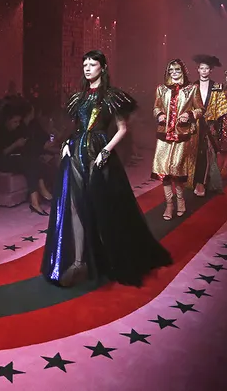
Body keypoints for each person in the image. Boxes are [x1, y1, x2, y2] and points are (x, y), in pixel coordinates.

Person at [41, 50, 172, 287]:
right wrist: (65, 144)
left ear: (102, 67)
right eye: (85, 64)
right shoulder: (78, 97)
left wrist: (106, 150)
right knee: (74, 206)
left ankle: (107, 257)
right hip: (75, 152)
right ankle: (78, 262)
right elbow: (74, 127)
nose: (87, 68)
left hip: (99, 152)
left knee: (102, 207)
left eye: (92, 64)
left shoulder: (112, 96)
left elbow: (123, 129)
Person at [152, 59, 203, 220]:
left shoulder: (192, 89)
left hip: (181, 135)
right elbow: (156, 107)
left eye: (177, 69)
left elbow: (200, 109)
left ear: (183, 71)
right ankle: (169, 204)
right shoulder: (161, 89)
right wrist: (159, 114)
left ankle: (180, 201)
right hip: (164, 136)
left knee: (177, 170)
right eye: (171, 70)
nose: (174, 72)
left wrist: (189, 114)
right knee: (163, 170)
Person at [188, 54, 227, 197]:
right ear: (197, 70)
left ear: (211, 70)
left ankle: (202, 183)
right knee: (195, 153)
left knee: (208, 153)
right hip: (195, 125)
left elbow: (222, 107)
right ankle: (195, 181)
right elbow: (187, 105)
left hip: (210, 125)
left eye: (206, 68)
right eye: (201, 68)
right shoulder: (192, 86)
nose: (204, 71)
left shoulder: (217, 87)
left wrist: (215, 121)